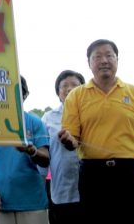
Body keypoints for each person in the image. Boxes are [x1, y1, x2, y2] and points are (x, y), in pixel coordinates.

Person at [59, 39, 134, 223]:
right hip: (94, 176)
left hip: (131, 173)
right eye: (97, 57)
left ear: (117, 60)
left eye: (109, 55)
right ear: (89, 63)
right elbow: (74, 140)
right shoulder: (76, 96)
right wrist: (69, 140)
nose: (104, 60)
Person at [0, 76, 50, 224]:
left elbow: (45, 160)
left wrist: (31, 151)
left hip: (32, 203)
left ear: (25, 95)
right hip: (0, 204)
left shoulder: (35, 123)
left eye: (16, 92)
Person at [41, 70, 85, 224]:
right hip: (61, 191)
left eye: (75, 85)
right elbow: (44, 154)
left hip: (90, 190)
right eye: (64, 86)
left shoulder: (91, 115)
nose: (69, 89)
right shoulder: (48, 118)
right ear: (58, 92)